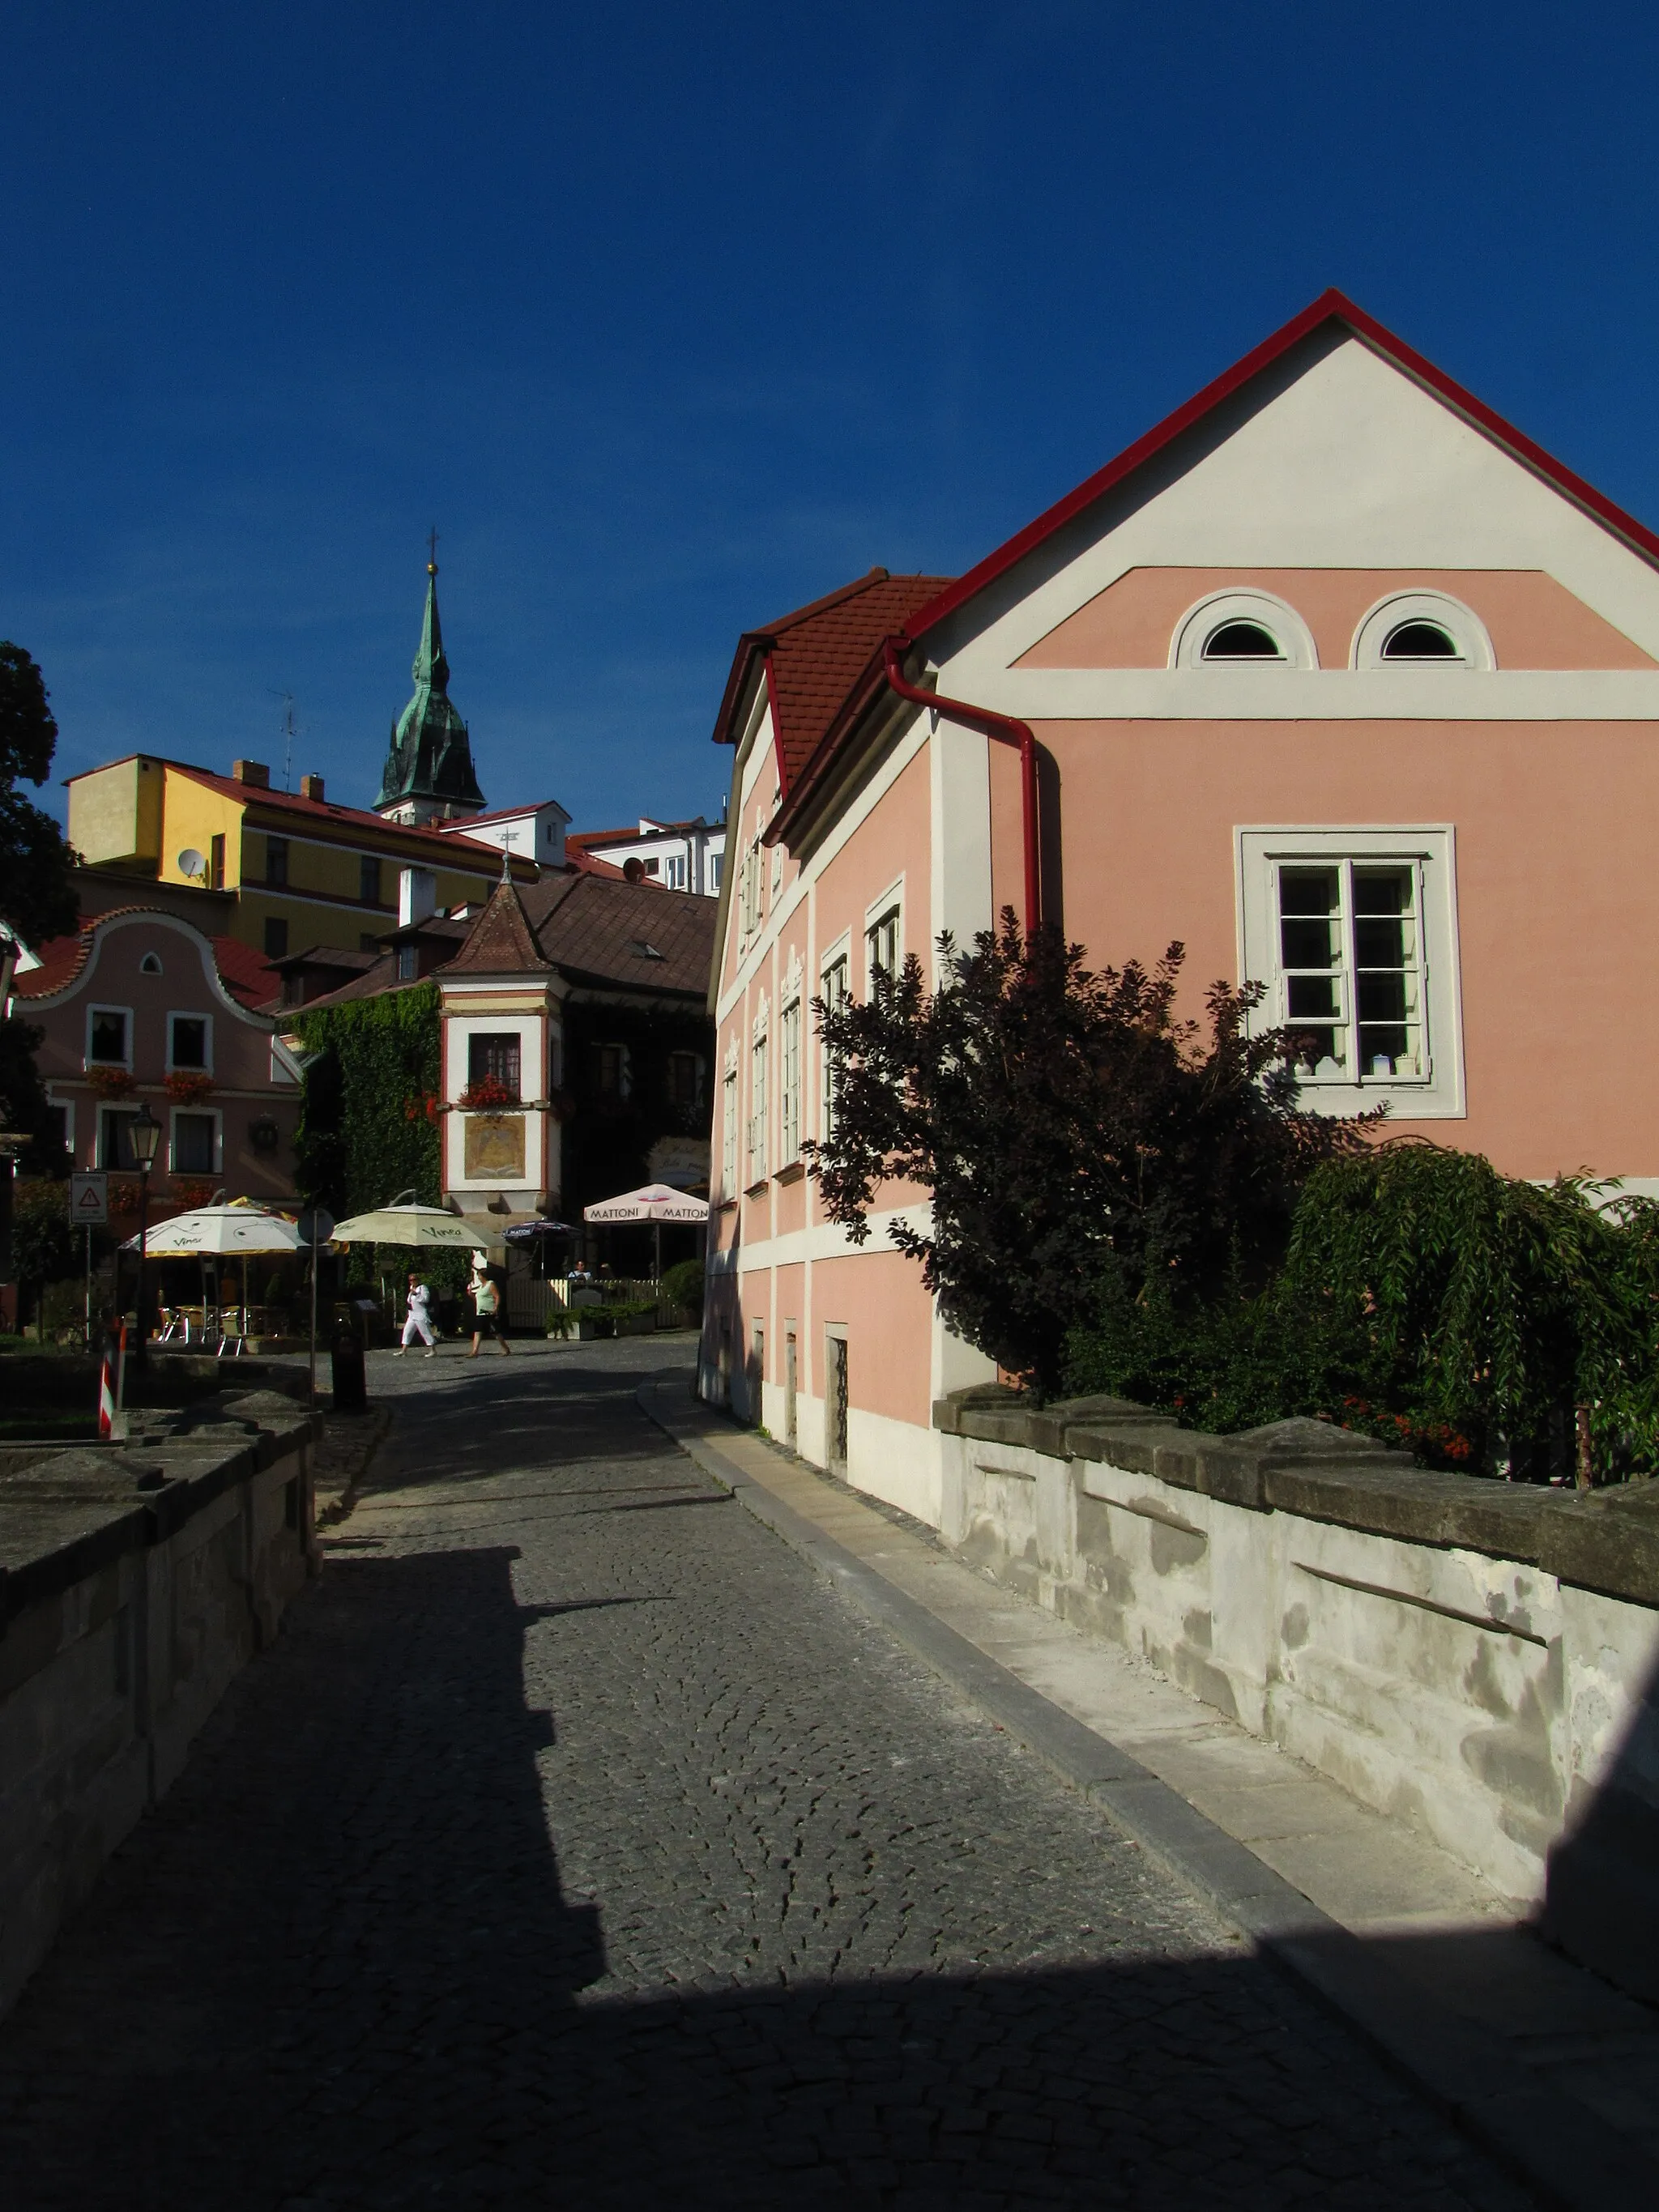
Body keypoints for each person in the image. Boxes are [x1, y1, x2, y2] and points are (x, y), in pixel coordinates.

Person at [469, 1256, 511, 1358]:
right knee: (478, 1331)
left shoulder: (490, 1284)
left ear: (483, 1276)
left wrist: (496, 1307)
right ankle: (474, 1351)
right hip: (480, 1312)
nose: (478, 1277)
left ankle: (505, 1348)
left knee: (495, 1331)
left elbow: (497, 1296)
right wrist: (471, 1295)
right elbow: (478, 1300)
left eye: (479, 1276)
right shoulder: (480, 1287)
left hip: (489, 1311)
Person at [397, 1272, 437, 1357]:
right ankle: (404, 1350)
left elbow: (426, 1299)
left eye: (414, 1280)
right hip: (412, 1314)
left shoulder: (423, 1288)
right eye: (411, 1280)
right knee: (407, 1331)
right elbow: (409, 1300)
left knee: (425, 1332)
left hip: (420, 1314)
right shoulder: (411, 1288)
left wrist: (416, 1294)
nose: (412, 1282)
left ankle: (433, 1350)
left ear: (418, 1280)